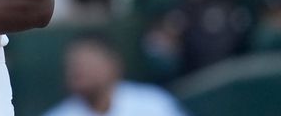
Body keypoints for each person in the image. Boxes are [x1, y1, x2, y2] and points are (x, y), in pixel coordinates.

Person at [43, 35, 187, 116]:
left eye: (88, 63)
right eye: (73, 66)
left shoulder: (153, 103)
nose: (78, 71)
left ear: (113, 64)